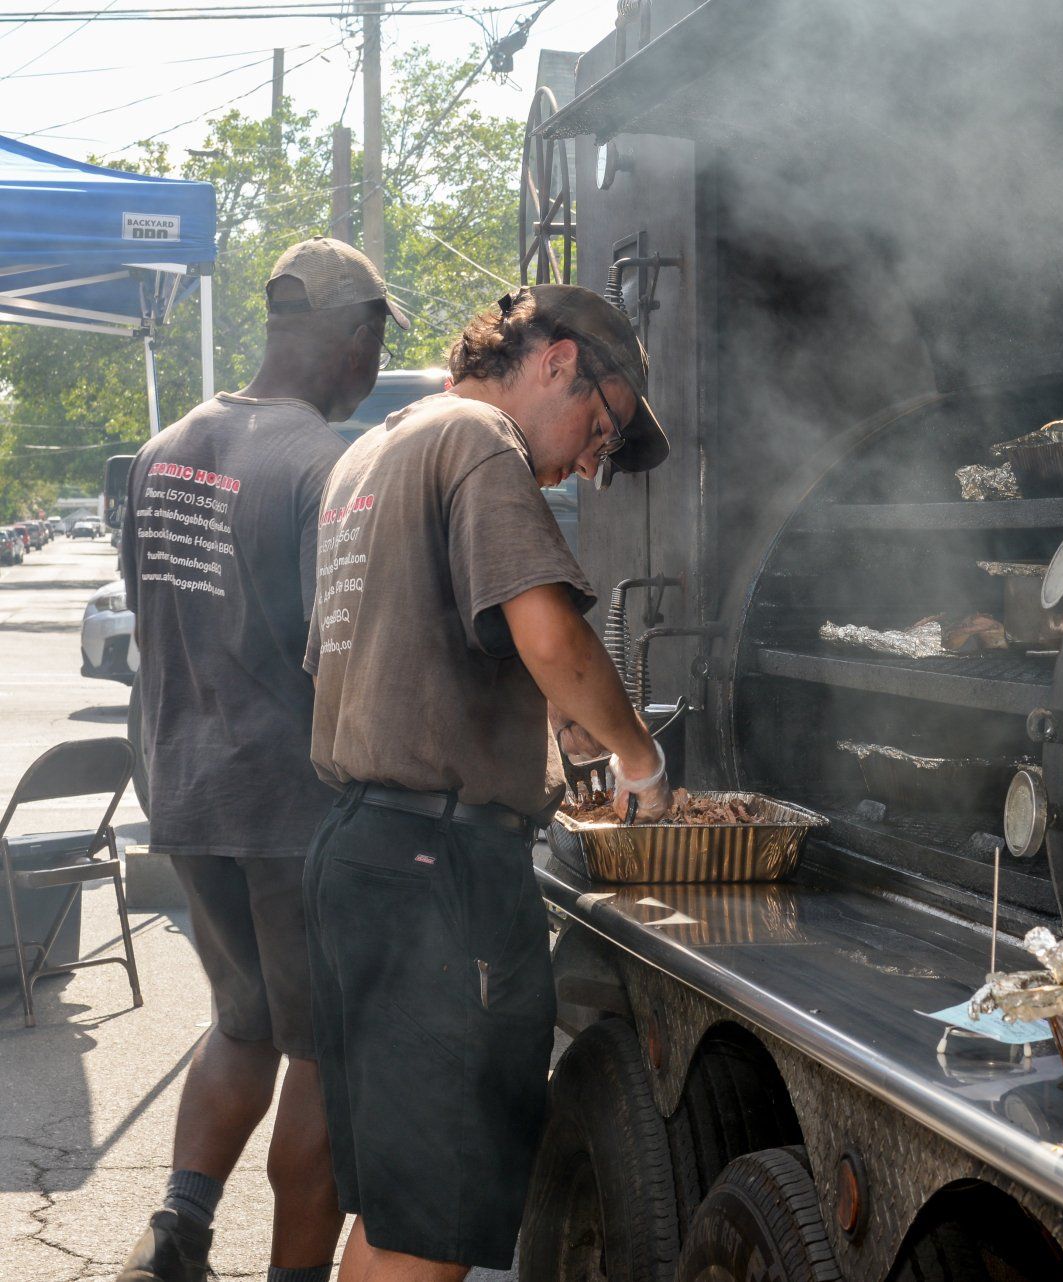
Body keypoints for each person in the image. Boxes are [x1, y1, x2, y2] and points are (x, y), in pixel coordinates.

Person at [302, 284, 672, 1281]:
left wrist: (554, 737)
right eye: (600, 425)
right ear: (556, 360)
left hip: (361, 851)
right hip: (440, 875)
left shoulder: (372, 453)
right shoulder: (479, 438)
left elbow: (400, 653)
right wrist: (640, 758)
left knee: (395, 1203)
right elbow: (550, 634)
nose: (593, 462)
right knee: (436, 1225)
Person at [116, 238, 408, 1282]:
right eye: (376, 340)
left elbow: (157, 623)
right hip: (291, 812)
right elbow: (350, 653)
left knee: (240, 1020)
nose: (374, 365)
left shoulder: (164, 448)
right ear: (349, 334)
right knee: (325, 1053)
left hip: (185, 794)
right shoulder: (323, 467)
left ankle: (178, 1234)